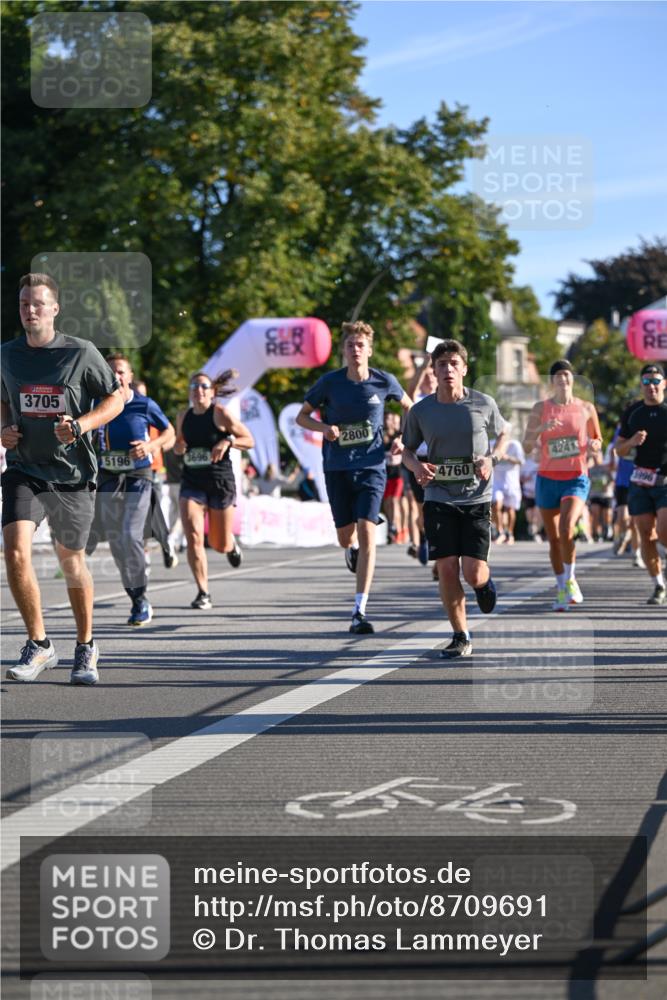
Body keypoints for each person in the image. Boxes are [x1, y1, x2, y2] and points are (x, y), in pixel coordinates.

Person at [1, 273, 123, 684]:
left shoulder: (81, 352)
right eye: (23, 303)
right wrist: (3, 429)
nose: (29, 310)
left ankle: (86, 646)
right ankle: (39, 644)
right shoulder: (7, 354)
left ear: (55, 308)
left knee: (70, 561)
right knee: (15, 551)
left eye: (37, 303)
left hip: (71, 473)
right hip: (24, 468)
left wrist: (83, 424)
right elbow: (2, 400)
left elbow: (116, 397)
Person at [296, 320, 412, 634]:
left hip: (373, 467)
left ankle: (359, 610)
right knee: (346, 538)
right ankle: (352, 550)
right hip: (337, 467)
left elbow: (411, 409)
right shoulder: (329, 383)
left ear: (369, 350)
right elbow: (301, 416)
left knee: (367, 531)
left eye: (360, 345)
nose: (355, 350)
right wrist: (325, 429)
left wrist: (403, 437)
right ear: (344, 351)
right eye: (350, 345)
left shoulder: (383, 381)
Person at [402, 339, 508, 658]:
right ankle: (460, 635)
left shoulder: (483, 403)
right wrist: (417, 467)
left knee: (473, 572)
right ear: (433, 370)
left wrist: (492, 459)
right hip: (438, 496)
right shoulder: (421, 411)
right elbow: (406, 451)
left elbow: (503, 434)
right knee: (446, 567)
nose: (447, 369)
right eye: (441, 364)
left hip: (476, 497)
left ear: (464, 368)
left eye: (453, 364)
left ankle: (484, 586)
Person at [92, 355, 175, 626]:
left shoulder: (143, 403)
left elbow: (169, 432)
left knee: (129, 534)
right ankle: (135, 596)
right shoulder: (96, 404)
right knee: (116, 542)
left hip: (138, 476)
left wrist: (150, 447)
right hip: (107, 478)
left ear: (129, 376)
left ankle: (141, 597)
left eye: (120, 371)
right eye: (111, 371)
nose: (115, 376)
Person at [523, 359, 603, 611]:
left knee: (567, 528)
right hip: (547, 478)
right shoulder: (539, 408)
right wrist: (541, 429)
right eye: (557, 375)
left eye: (567, 374)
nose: (563, 379)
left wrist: (594, 445)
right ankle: (561, 587)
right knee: (554, 539)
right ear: (552, 381)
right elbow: (526, 446)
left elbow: (598, 438)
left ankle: (570, 581)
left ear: (572, 379)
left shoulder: (586, 408)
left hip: (576, 477)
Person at [174, 370, 254, 609]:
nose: (198, 390)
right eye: (194, 386)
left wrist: (228, 440)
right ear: (190, 392)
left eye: (203, 386)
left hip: (220, 483)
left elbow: (249, 439)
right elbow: (179, 443)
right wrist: (178, 447)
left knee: (218, 544)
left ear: (212, 392)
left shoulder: (220, 414)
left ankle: (231, 546)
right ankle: (203, 591)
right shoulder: (183, 416)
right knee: (194, 537)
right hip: (192, 482)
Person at [614, 363, 667, 605]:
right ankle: (658, 585)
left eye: (656, 381)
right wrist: (633, 441)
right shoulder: (633, 413)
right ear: (641, 385)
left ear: (664, 384)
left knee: (664, 533)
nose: (651, 386)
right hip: (640, 479)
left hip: (665, 480)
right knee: (646, 534)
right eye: (646, 382)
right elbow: (619, 450)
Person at [491, 425, 524, 544]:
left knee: (510, 509)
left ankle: (510, 533)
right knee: (496, 506)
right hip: (497, 481)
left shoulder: (515, 445)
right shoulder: (492, 444)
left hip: (511, 481)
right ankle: (500, 532)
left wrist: (507, 458)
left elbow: (521, 461)